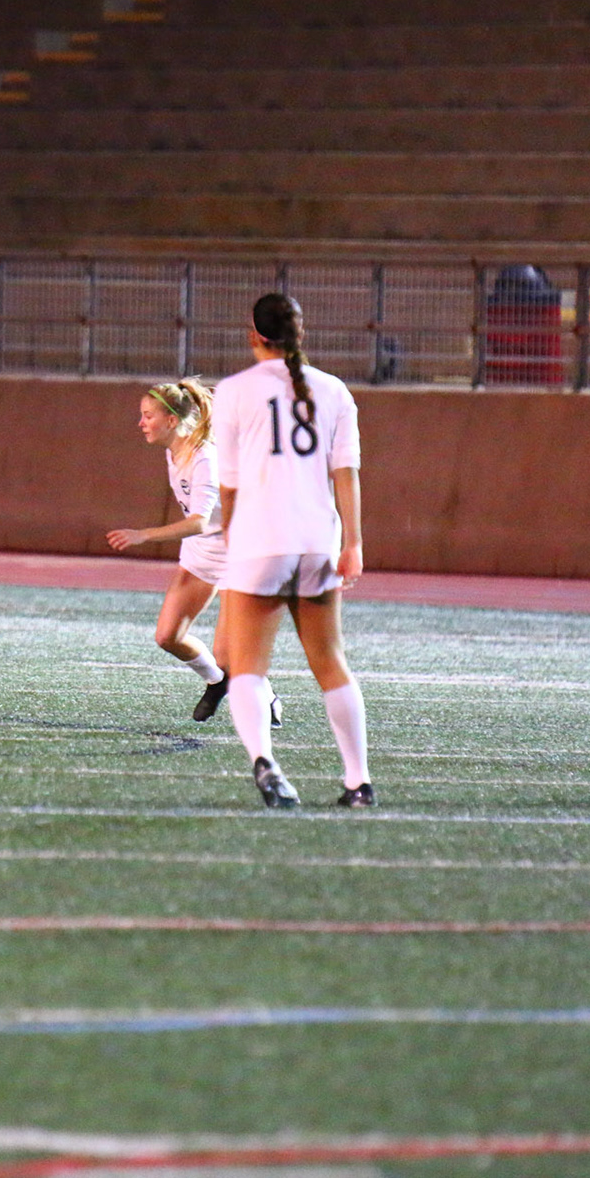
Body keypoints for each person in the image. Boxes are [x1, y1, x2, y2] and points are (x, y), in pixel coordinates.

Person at [209, 293, 372, 808]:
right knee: (331, 663)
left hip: (260, 541)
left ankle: (266, 762)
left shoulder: (233, 391)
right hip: (316, 542)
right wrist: (353, 542)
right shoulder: (334, 390)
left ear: (254, 334)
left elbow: (230, 484)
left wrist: (231, 536)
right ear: (300, 333)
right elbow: (346, 474)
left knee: (248, 667)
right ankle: (358, 783)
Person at [105, 378, 280, 730]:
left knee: (230, 656)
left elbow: (199, 521)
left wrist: (143, 535)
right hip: (202, 552)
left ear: (171, 420)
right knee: (167, 636)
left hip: (238, 554)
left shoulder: (205, 460)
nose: (141, 423)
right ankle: (217, 682)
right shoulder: (173, 451)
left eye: (148, 416)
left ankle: (266, 697)